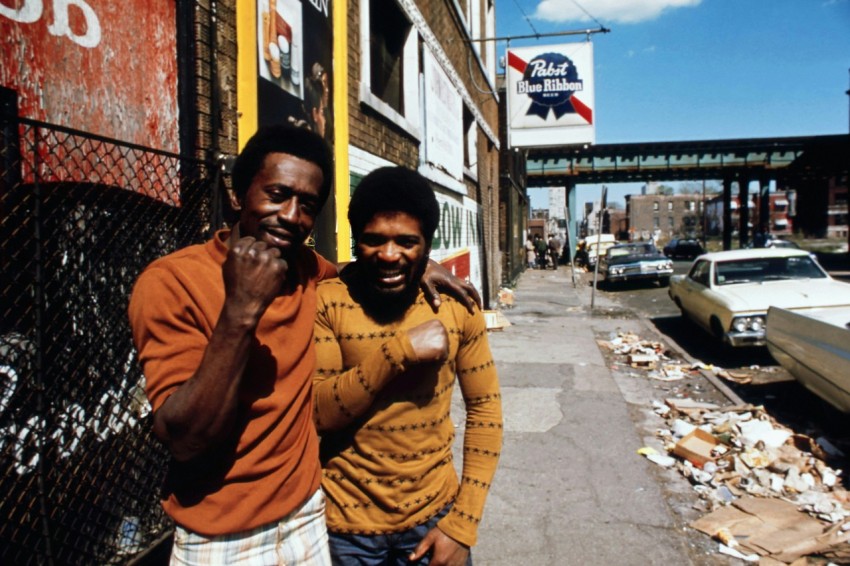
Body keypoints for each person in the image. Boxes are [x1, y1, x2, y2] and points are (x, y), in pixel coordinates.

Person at [128, 125, 479, 565]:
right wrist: (241, 308)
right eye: (277, 194)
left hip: (309, 518)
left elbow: (367, 267)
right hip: (220, 535)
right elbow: (185, 439)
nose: (292, 215)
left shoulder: (309, 271)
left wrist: (417, 262)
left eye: (307, 205)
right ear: (238, 196)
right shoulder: (172, 282)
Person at [313, 166, 503, 566]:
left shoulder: (456, 307)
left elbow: (486, 413)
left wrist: (462, 525)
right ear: (355, 241)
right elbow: (320, 413)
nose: (388, 255)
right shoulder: (328, 301)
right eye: (373, 241)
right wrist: (397, 353)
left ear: (428, 245)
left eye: (406, 242)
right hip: (345, 534)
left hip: (436, 519)